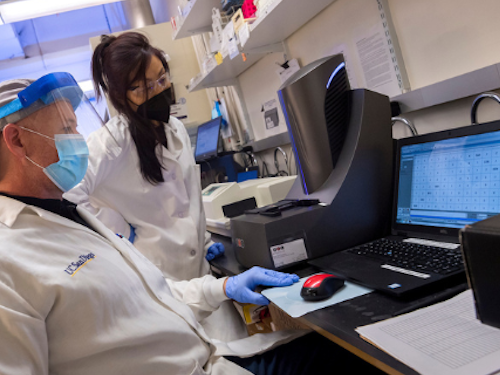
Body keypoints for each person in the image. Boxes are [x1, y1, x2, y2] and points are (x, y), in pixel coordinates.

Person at [0, 74, 385, 375]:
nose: (78, 139)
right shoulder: (9, 261)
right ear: (16, 141)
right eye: (66, 128)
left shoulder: (66, 213)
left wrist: (225, 286)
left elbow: (153, 295)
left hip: (211, 358)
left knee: (352, 351)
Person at [64, 32, 223, 282]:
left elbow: (189, 198)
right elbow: (67, 194)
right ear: (119, 96)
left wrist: (203, 241)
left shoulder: (175, 128)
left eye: (161, 79)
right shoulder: (109, 143)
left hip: (200, 274)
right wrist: (119, 230)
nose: (158, 91)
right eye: (144, 87)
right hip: (156, 278)